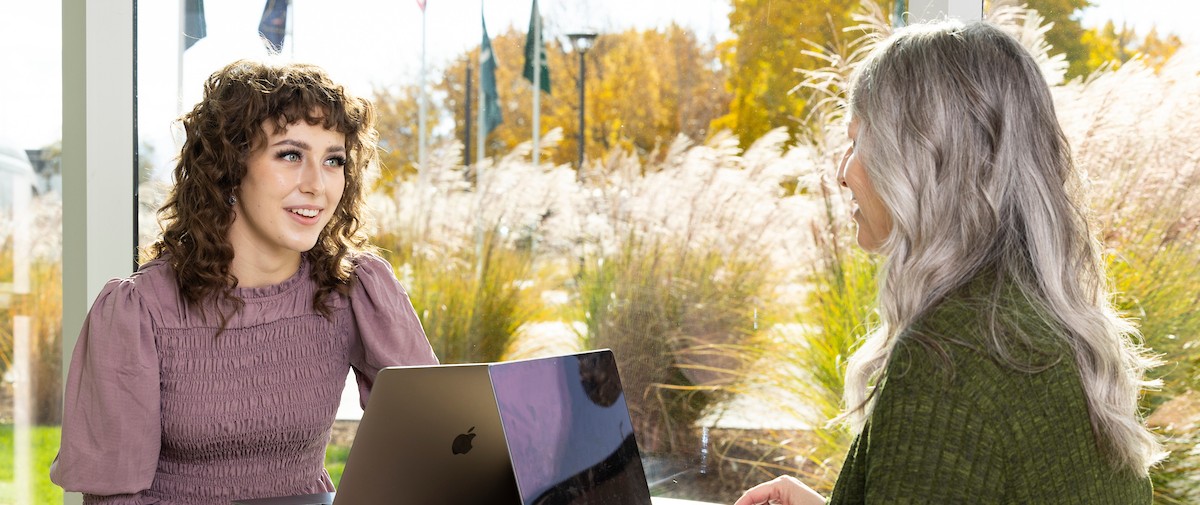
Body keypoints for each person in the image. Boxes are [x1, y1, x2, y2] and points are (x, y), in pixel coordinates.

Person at [735, 20, 1162, 505]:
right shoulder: (1049, 328)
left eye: (857, 142)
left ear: (918, 161)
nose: (842, 173)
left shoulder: (946, 359)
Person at [50, 60, 438, 504]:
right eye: (290, 154)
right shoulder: (139, 312)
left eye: (333, 160)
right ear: (230, 166)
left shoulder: (354, 288)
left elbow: (440, 440)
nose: (317, 185)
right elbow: (113, 499)